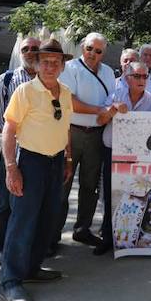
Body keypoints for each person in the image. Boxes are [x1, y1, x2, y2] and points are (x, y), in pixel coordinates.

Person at [0, 40, 74, 301]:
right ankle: (10, 281)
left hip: (55, 163)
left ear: (63, 66)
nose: (51, 66)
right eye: (45, 62)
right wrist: (11, 168)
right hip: (30, 162)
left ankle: (31, 268)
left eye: (56, 62)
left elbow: (65, 128)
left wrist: (67, 157)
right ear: (37, 64)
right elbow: (9, 130)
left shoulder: (65, 92)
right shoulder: (25, 91)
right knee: (22, 221)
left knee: (47, 218)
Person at [56, 32, 115, 248]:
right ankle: (53, 234)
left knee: (90, 186)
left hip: (97, 135)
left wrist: (108, 112)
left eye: (98, 51)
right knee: (63, 184)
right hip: (73, 132)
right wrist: (100, 111)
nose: (93, 53)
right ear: (83, 47)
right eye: (90, 48)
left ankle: (82, 229)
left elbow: (113, 99)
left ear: (103, 53)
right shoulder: (70, 68)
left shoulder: (108, 72)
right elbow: (69, 101)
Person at [95, 61, 151, 255]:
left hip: (138, 157)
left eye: (145, 76)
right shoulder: (116, 95)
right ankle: (107, 238)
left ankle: (135, 237)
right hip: (113, 152)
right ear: (127, 78)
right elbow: (100, 120)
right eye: (137, 76)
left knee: (136, 196)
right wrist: (112, 110)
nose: (141, 80)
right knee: (110, 195)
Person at [0, 35, 41, 266]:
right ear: (20, 52)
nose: (30, 52)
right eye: (26, 48)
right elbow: (0, 117)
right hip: (13, 148)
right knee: (5, 198)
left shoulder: (47, 80)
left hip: (39, 151)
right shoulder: (7, 79)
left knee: (32, 200)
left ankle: (26, 246)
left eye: (35, 48)